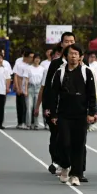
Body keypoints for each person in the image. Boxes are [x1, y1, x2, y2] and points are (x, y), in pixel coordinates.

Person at [49, 44, 97, 186]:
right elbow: (53, 95)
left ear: (81, 56)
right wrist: (53, 114)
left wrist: (92, 112)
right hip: (63, 114)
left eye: (76, 54)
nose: (73, 56)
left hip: (81, 115)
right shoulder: (60, 72)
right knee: (64, 143)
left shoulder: (86, 72)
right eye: (71, 53)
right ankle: (65, 166)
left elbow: (92, 94)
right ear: (66, 56)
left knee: (79, 145)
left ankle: (76, 174)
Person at [38, 32, 76, 174]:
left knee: (72, 138)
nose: (69, 44)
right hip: (57, 107)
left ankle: (73, 165)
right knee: (57, 136)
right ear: (62, 44)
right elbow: (48, 88)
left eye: (72, 41)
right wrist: (48, 108)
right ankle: (57, 161)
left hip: (74, 108)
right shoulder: (55, 64)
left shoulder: (82, 63)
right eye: (67, 41)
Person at [24, 54, 45, 130]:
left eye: (39, 58)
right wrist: (25, 90)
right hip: (30, 87)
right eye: (36, 58)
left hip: (39, 88)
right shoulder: (28, 68)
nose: (37, 60)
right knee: (29, 107)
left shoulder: (42, 69)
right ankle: (28, 124)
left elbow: (43, 80)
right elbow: (26, 79)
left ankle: (36, 124)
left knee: (37, 107)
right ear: (33, 59)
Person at [13, 48, 33, 129]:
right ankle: (20, 122)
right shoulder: (19, 64)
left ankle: (28, 122)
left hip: (30, 88)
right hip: (21, 87)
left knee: (28, 106)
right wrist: (18, 87)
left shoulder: (32, 66)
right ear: (26, 57)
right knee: (21, 105)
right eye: (30, 57)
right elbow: (16, 76)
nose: (32, 58)